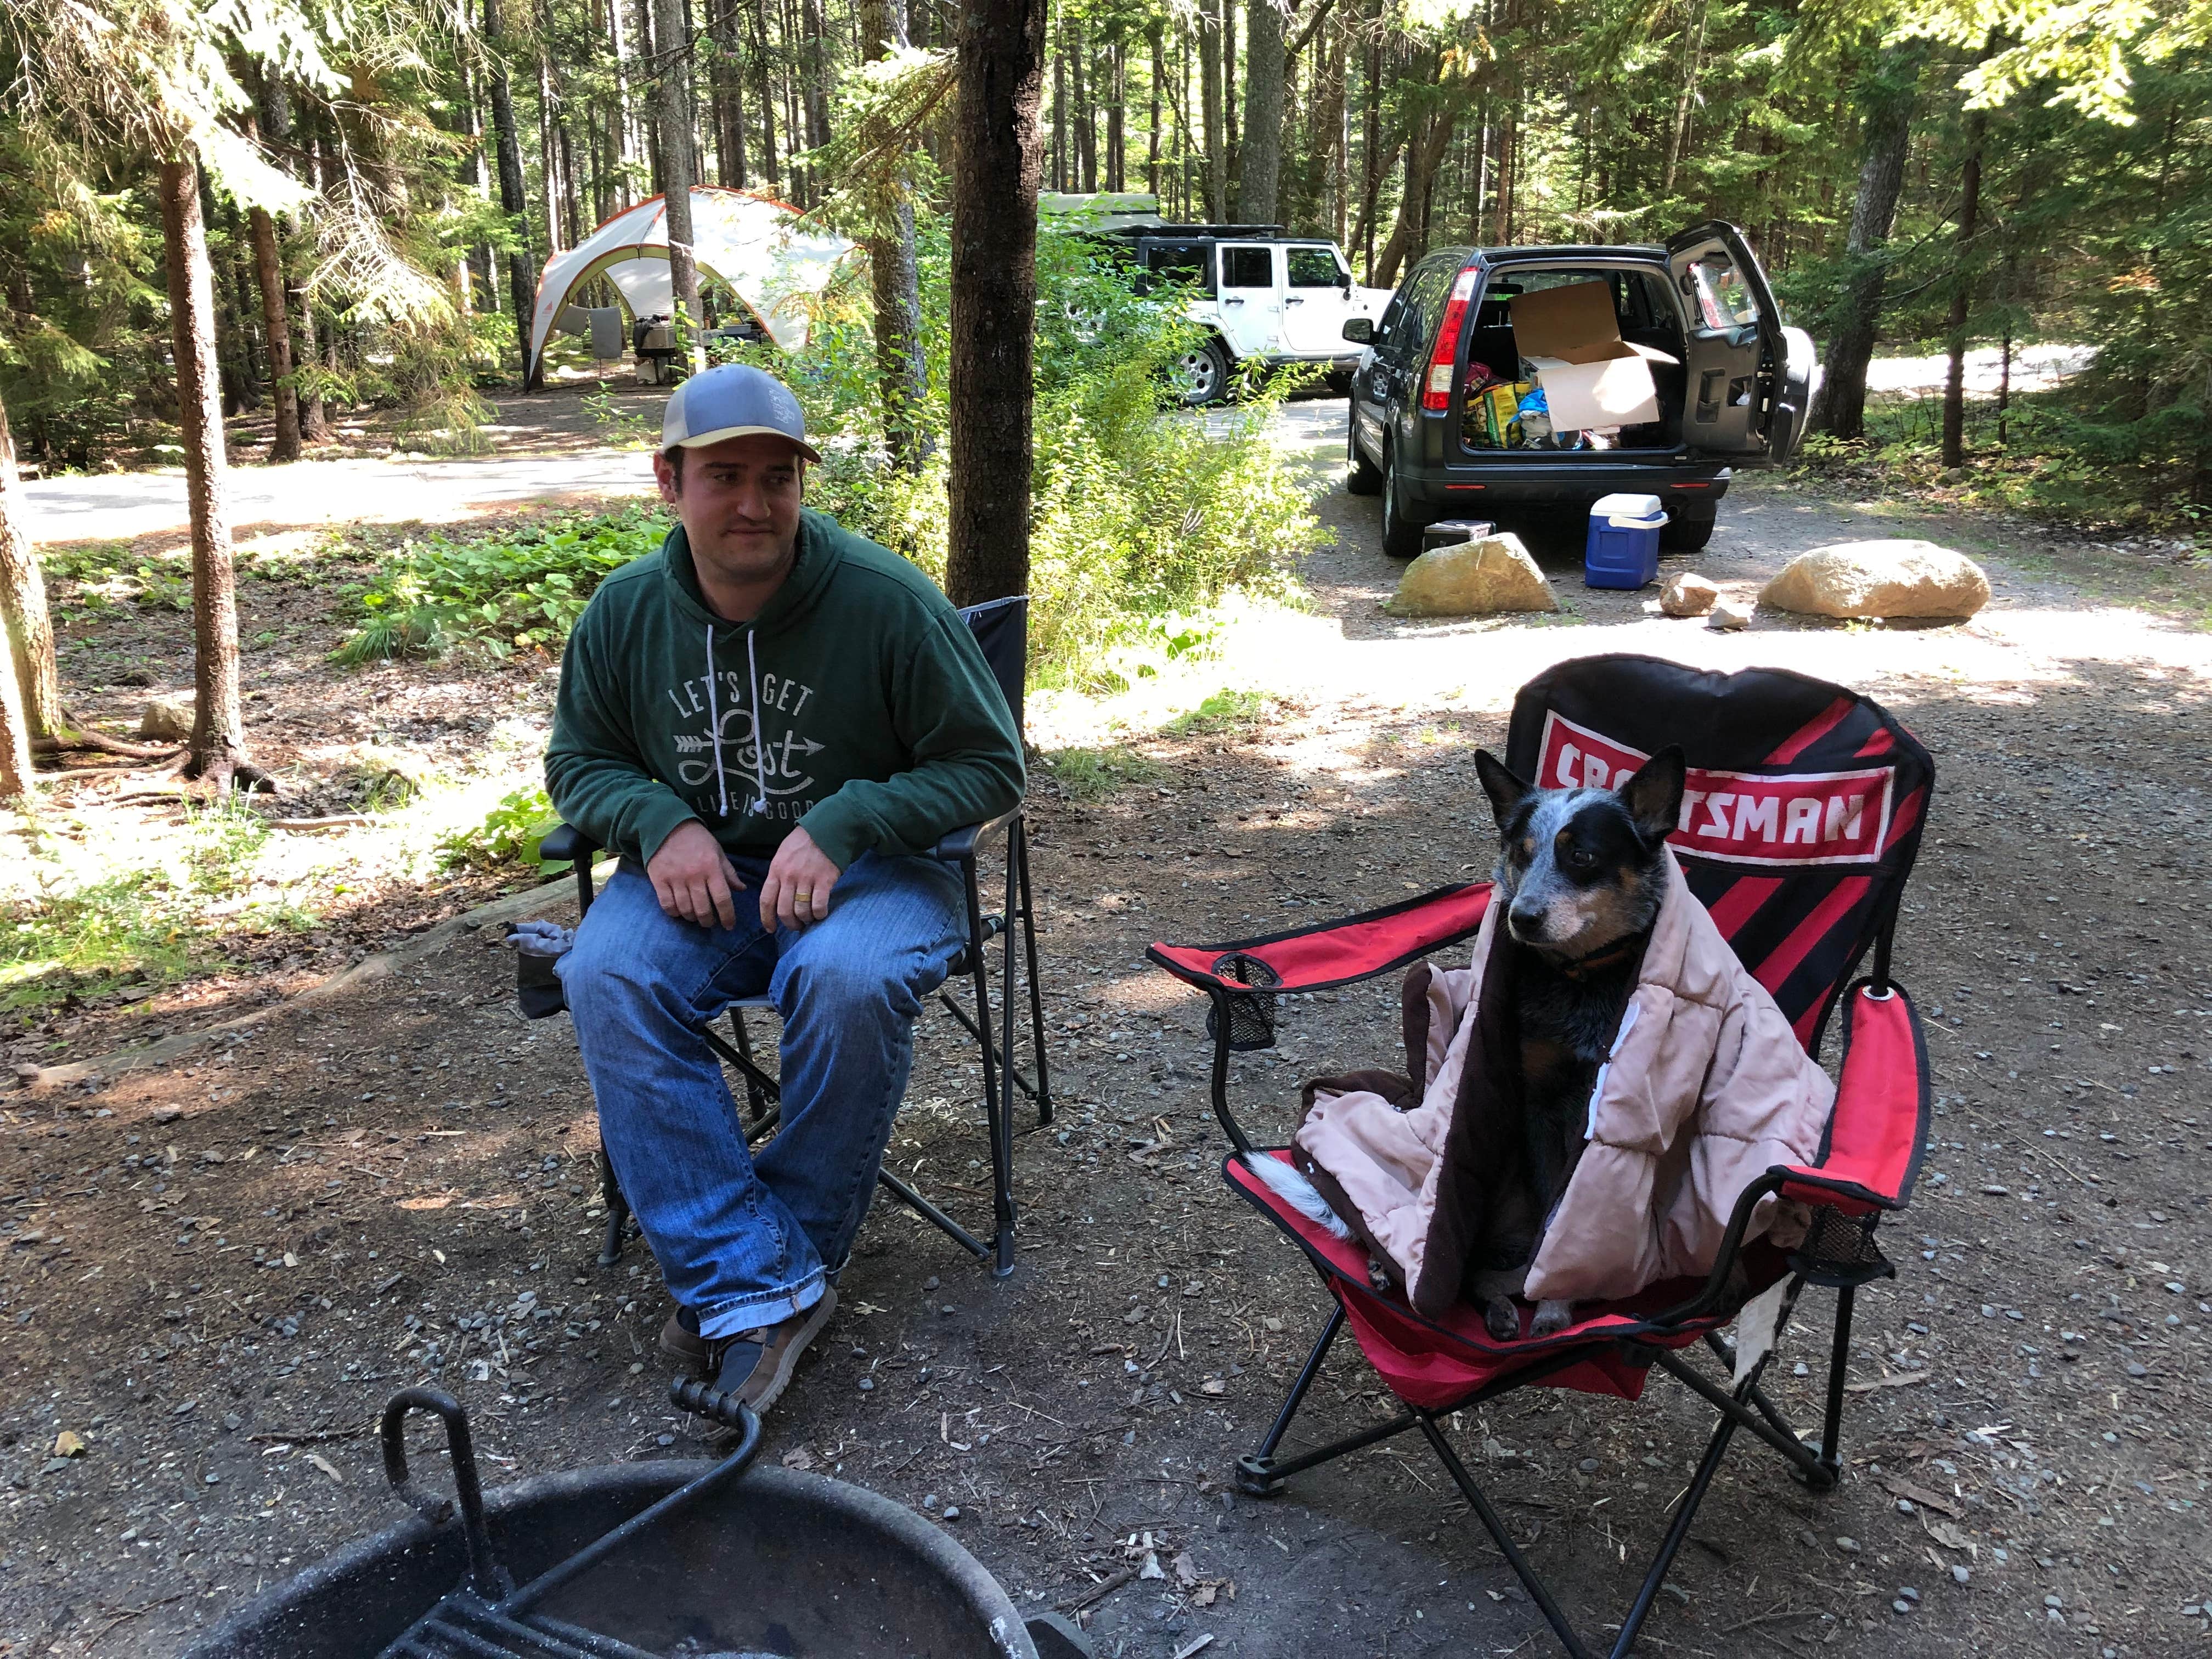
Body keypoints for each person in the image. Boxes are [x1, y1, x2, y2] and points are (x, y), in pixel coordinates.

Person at [546, 363, 1024, 1417]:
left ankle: (751, 1276)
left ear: (804, 484)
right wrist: (658, 821)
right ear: (669, 482)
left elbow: (994, 768)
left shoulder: (887, 603)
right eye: (725, 477)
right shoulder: (625, 613)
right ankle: (765, 1280)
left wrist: (847, 822)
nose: (755, 504)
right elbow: (579, 763)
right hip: (704, 882)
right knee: (606, 971)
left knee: (846, 978)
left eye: (778, 477)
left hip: (878, 874)